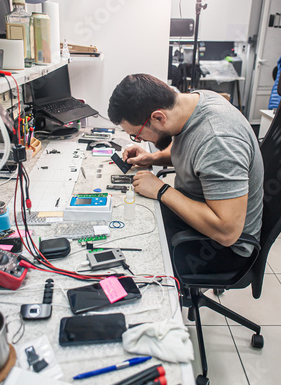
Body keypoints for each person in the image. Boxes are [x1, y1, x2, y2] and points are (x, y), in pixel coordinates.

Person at [108, 74, 264, 276]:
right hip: (198, 220)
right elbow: (194, 153)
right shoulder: (194, 103)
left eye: (137, 135)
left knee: (132, 254)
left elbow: (228, 233)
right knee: (127, 219)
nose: (139, 139)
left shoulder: (218, 139)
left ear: (158, 117)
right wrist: (153, 158)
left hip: (219, 249)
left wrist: (161, 190)